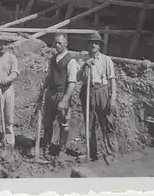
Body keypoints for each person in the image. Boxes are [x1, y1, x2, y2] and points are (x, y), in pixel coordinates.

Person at [36, 33, 79, 161]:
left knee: (64, 125)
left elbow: (72, 83)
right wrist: (42, 92)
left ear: (66, 44)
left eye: (60, 43)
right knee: (47, 122)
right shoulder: (53, 59)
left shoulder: (71, 60)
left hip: (62, 95)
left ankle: (62, 150)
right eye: (55, 43)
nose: (57, 45)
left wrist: (65, 100)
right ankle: (46, 146)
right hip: (50, 94)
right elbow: (49, 77)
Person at [78, 32, 118, 162]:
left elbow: (112, 80)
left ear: (100, 46)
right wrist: (85, 65)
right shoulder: (83, 58)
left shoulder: (106, 60)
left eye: (96, 43)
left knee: (107, 122)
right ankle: (91, 154)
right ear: (88, 45)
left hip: (102, 91)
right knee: (89, 123)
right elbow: (78, 78)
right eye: (91, 43)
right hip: (87, 91)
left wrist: (112, 99)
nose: (93, 45)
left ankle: (112, 152)